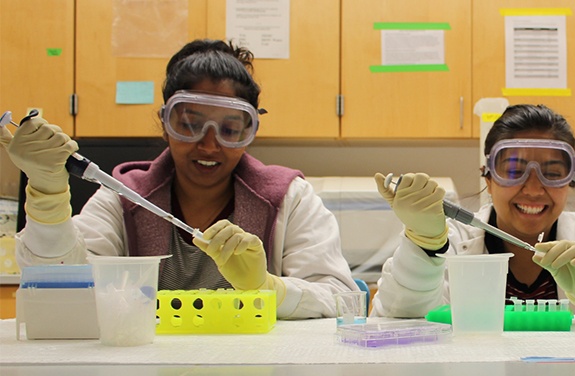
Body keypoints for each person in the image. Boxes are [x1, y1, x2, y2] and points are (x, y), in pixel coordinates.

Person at [0, 39, 358, 319]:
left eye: (230, 129)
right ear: (165, 122)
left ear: (250, 131)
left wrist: (268, 288)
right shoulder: (123, 196)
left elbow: (342, 298)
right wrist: (47, 193)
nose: (208, 144)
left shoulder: (288, 197)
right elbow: (60, 286)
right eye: (189, 123)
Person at [369, 104, 575, 317]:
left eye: (552, 172)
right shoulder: (451, 237)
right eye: (514, 170)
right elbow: (394, 317)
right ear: (488, 179)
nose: (533, 188)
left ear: (571, 181)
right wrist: (425, 245)